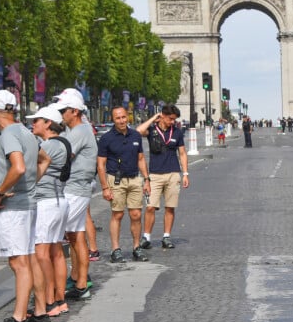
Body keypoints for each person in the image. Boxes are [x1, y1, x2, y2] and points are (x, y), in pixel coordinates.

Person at [0, 90, 54, 322]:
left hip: (13, 207)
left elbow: (18, 167)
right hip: (28, 203)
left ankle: (19, 319)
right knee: (28, 259)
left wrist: (0, 191)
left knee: (18, 263)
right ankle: (40, 314)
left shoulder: (8, 134)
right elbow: (45, 160)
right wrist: (30, 185)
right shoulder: (26, 133)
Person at [49, 88, 98, 300]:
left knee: (58, 234)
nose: (61, 114)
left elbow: (60, 156)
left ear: (75, 111)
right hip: (78, 187)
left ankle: (63, 286)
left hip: (74, 189)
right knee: (76, 235)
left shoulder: (78, 132)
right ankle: (80, 281)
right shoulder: (76, 130)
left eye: (63, 110)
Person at [29, 106, 71, 317]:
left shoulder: (49, 145)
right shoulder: (62, 143)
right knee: (56, 252)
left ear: (48, 123)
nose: (32, 123)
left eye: (36, 120)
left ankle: (49, 301)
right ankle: (60, 299)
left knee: (41, 253)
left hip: (46, 202)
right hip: (58, 200)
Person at [97, 106, 150, 263]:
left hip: (134, 179)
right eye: (117, 118)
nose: (121, 120)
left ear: (128, 117)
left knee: (136, 215)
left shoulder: (136, 135)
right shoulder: (106, 138)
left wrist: (147, 179)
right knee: (117, 214)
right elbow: (101, 165)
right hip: (116, 179)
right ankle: (116, 249)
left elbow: (141, 159)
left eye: (123, 117)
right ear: (113, 120)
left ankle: (136, 248)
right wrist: (105, 187)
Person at [136, 104, 190, 249]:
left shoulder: (177, 132)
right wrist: (153, 117)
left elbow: (183, 153)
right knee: (150, 207)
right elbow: (138, 131)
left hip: (173, 173)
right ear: (163, 116)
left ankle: (166, 236)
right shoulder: (152, 130)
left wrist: (185, 173)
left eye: (174, 119)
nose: (173, 122)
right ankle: (146, 237)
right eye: (170, 119)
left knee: (170, 207)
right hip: (154, 174)